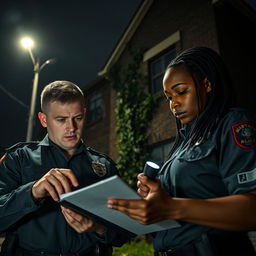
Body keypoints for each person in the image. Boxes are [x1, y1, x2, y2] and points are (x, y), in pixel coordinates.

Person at [107, 46, 256, 256]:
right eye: (168, 96)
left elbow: (252, 209)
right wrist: (154, 197)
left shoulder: (233, 124)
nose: (173, 103)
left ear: (207, 84)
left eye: (181, 91)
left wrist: (171, 207)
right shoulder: (183, 143)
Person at [0, 81, 129, 256]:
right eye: (61, 119)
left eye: (77, 118)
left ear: (84, 114)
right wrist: (32, 192)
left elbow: (125, 232)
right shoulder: (19, 159)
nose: (72, 128)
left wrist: (97, 227)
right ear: (43, 120)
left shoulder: (105, 166)